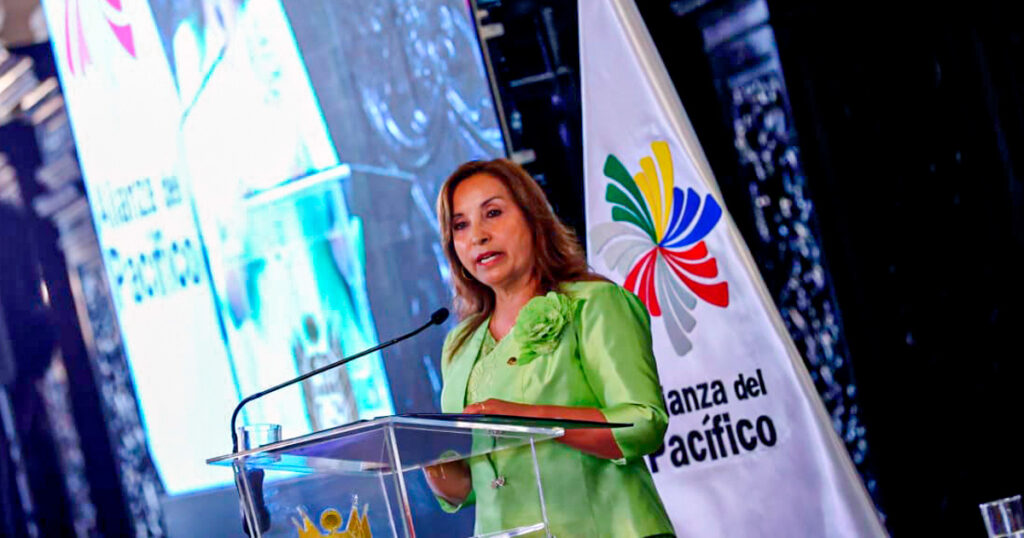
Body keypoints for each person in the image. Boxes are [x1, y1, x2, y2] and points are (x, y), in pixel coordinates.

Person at [424, 159, 676, 538]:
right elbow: (486, 483)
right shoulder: (458, 347)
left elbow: (643, 424)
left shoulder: (595, 303)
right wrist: (436, 467)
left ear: (533, 216)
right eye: (460, 225)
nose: (477, 235)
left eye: (492, 213)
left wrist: (526, 420)